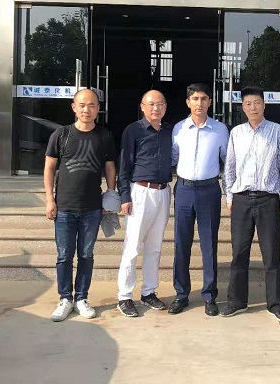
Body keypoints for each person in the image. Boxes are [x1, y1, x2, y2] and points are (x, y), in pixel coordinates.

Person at [221, 86, 280, 322]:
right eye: (248, 103)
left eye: (257, 103)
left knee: (271, 255)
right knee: (239, 254)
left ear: (264, 105)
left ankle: (275, 304)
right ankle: (236, 302)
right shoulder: (236, 133)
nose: (253, 107)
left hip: (268, 200)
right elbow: (229, 168)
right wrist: (229, 197)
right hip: (241, 200)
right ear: (242, 107)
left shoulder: (278, 131)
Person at [44, 89, 116, 322]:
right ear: (74, 107)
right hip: (64, 207)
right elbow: (49, 168)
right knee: (64, 256)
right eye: (82, 105)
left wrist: (110, 195)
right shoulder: (61, 134)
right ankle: (65, 298)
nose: (87, 109)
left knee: (86, 255)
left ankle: (82, 298)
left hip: (92, 208)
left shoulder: (104, 136)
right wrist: (50, 199)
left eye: (92, 105)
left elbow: (110, 168)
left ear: (98, 108)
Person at [169, 83, 229, 316]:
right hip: (184, 189)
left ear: (210, 102)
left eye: (204, 98)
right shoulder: (178, 129)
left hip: (209, 190)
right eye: (195, 98)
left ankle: (209, 296)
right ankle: (181, 294)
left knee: (209, 244)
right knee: (181, 243)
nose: (200, 103)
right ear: (188, 102)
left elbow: (228, 161)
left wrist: (229, 191)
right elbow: (173, 157)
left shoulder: (220, 130)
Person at [116, 90, 173, 317]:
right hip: (140, 192)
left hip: (163, 192)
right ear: (142, 106)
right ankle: (124, 296)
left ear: (165, 107)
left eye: (160, 104)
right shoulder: (133, 131)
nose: (155, 108)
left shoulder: (170, 131)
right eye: (151, 104)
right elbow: (124, 166)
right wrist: (124, 197)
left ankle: (149, 292)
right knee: (132, 247)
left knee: (155, 246)